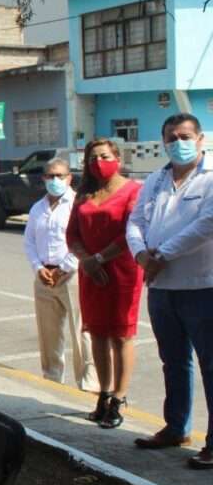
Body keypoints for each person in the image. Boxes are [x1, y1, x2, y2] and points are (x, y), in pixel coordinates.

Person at [128, 113, 213, 468]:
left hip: (202, 287)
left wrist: (162, 254)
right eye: (171, 137)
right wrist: (141, 254)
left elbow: (207, 223)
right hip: (161, 287)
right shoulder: (155, 180)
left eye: (184, 136)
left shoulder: (210, 179)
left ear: (200, 140)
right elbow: (135, 222)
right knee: (173, 362)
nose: (178, 142)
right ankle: (176, 426)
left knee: (211, 365)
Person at [66, 139, 144, 429]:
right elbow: (72, 234)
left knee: (121, 335)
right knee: (96, 334)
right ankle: (104, 393)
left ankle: (119, 398)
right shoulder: (84, 194)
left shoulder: (134, 191)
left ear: (117, 158)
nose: (98, 162)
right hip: (90, 273)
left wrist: (99, 258)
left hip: (121, 272)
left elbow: (131, 234)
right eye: (92, 157)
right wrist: (86, 259)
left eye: (104, 156)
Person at [23, 157, 99, 390]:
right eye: (49, 176)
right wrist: (38, 268)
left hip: (72, 275)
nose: (54, 180)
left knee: (81, 333)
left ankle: (88, 384)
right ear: (43, 178)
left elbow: (84, 241)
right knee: (49, 334)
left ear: (69, 178)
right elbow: (29, 241)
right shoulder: (38, 208)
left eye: (59, 176)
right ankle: (53, 380)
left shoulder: (78, 204)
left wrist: (64, 268)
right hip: (44, 276)